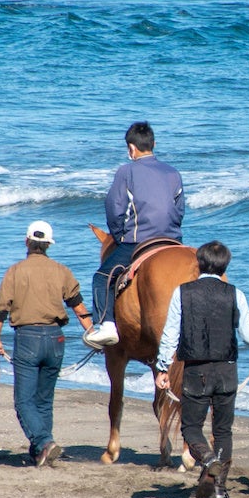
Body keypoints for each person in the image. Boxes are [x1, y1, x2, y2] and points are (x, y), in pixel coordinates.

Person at [154, 240, 249, 498]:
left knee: (191, 428)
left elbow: (170, 334)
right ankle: (219, 488)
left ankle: (208, 460)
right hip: (226, 370)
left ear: (199, 263)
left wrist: (163, 367)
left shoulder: (182, 292)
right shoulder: (236, 294)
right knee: (223, 430)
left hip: (196, 371)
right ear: (225, 266)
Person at [0, 220, 96, 466]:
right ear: (49, 244)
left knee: (23, 401)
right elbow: (79, 307)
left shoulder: (15, 271)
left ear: (27, 241)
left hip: (27, 338)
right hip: (56, 338)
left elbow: (0, 310)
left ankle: (44, 442)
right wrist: (92, 334)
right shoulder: (62, 271)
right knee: (44, 400)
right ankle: (41, 452)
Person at [82, 121, 185, 350]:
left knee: (101, 278)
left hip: (140, 240)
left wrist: (119, 237)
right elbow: (179, 210)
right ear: (154, 144)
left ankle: (107, 326)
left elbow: (114, 208)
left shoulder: (126, 171)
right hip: (173, 240)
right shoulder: (173, 172)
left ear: (131, 148)